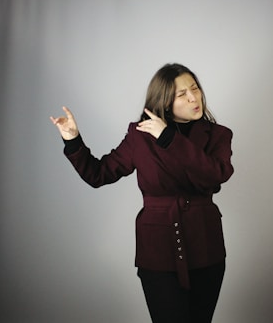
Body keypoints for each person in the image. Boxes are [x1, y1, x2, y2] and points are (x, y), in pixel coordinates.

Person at [50, 63, 234, 323]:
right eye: (182, 94)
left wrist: (170, 138)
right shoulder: (140, 135)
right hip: (157, 252)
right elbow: (98, 174)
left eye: (195, 88)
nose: (194, 97)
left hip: (206, 247)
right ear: (164, 101)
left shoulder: (219, 134)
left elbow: (216, 174)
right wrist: (73, 140)